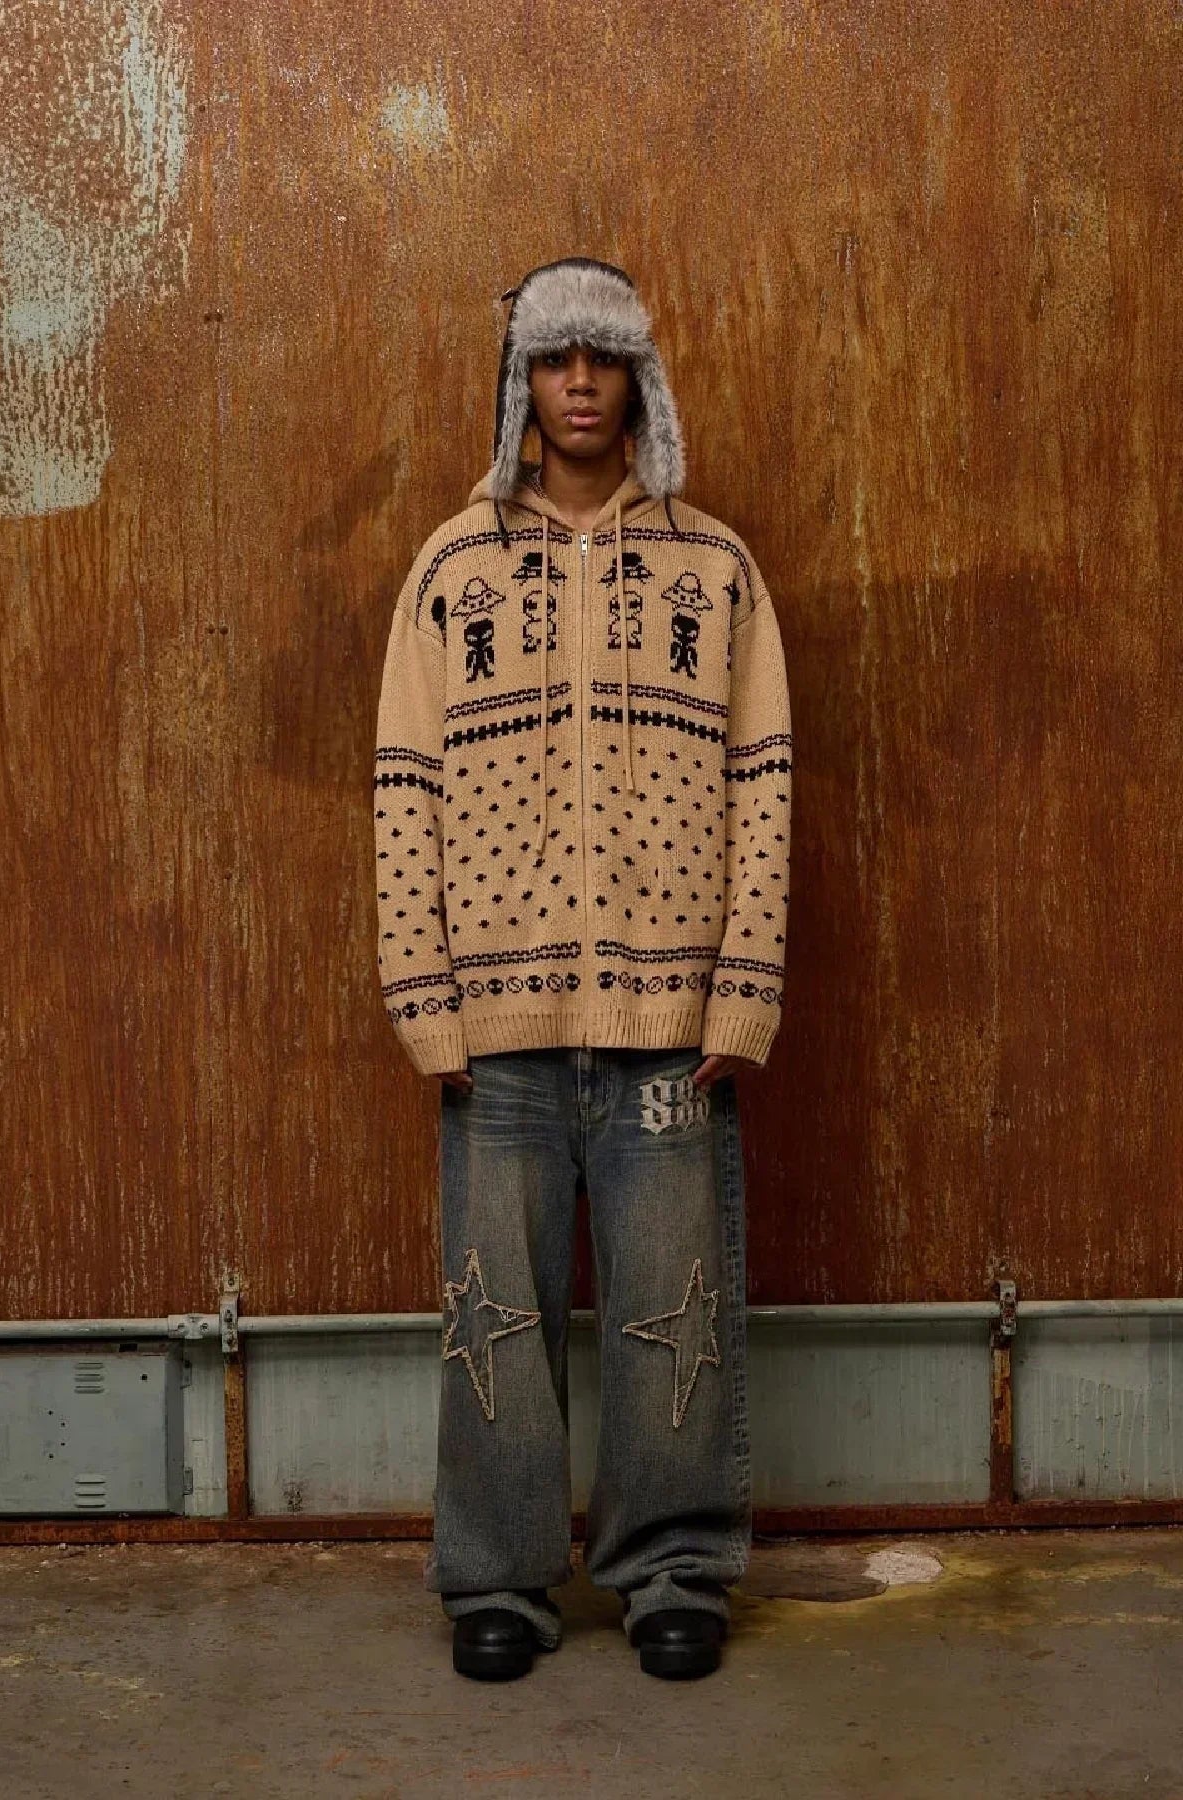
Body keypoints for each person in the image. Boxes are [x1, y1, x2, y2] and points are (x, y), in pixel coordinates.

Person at [373, 257, 792, 1681]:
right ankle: (498, 1574)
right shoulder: (454, 568)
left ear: (638, 380)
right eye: (555, 360)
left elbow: (764, 778)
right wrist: (424, 996)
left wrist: (743, 988)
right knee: (495, 1309)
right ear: (523, 385)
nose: (579, 384)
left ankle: (673, 1567)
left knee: (676, 1305)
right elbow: (403, 780)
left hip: (671, 1015)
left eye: (603, 359)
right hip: (495, 1023)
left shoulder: (715, 570)